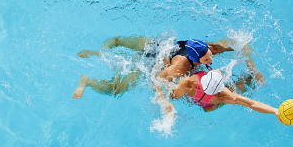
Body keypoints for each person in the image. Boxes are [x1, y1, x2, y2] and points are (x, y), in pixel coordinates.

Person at [72, 36, 262, 99]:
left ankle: (98, 53)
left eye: (210, 54)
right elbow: (158, 79)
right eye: (206, 58)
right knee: (115, 89)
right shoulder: (181, 67)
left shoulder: (207, 47)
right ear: (195, 60)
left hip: (159, 44)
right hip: (149, 61)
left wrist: (252, 64)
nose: (211, 57)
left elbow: (239, 44)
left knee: (120, 41)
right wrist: (169, 97)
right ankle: (87, 81)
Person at [158, 69, 284, 124]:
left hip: (199, 99)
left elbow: (173, 95)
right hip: (209, 105)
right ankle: (250, 80)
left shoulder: (188, 82)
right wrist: (275, 111)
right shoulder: (223, 96)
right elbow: (251, 104)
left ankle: (249, 80)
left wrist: (165, 102)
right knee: (240, 86)